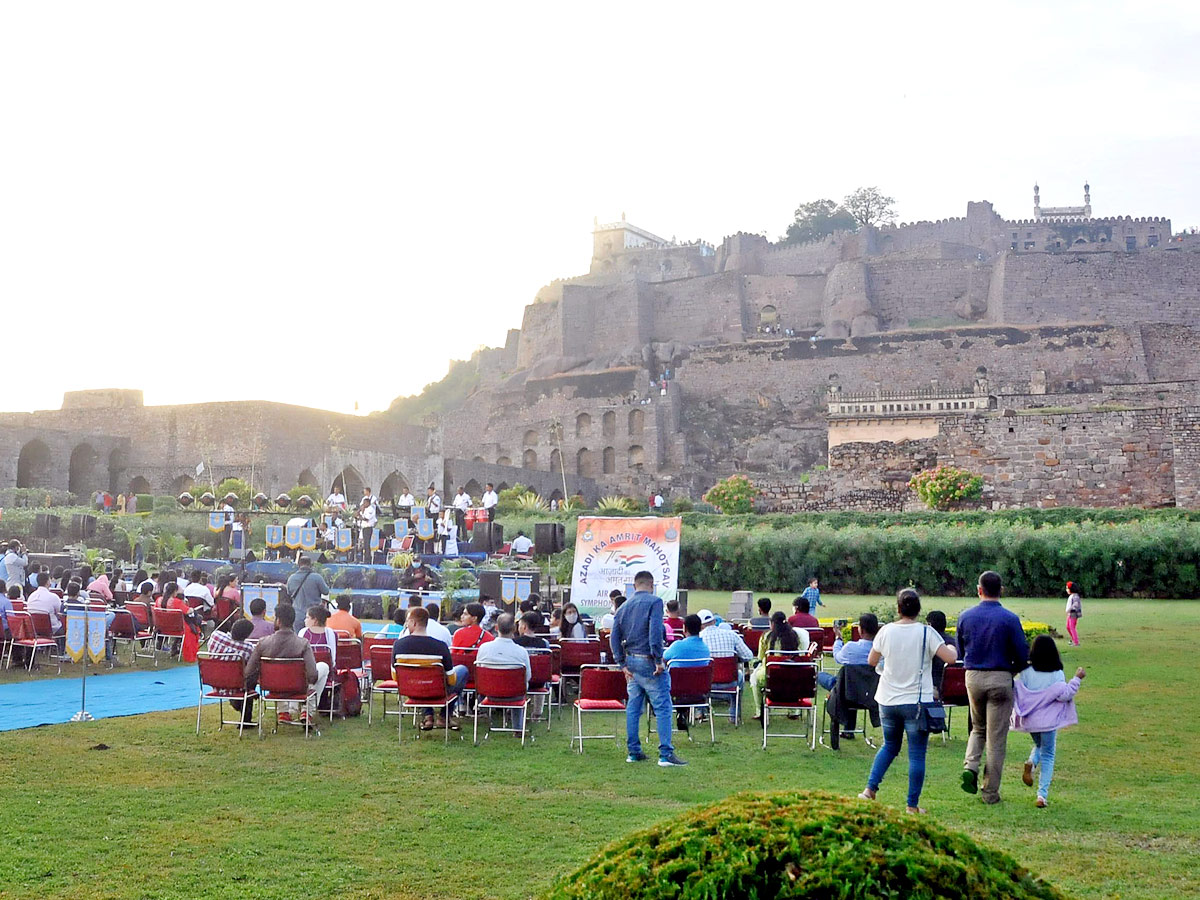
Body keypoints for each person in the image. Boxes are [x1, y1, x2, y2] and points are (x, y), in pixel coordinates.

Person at [858, 588, 958, 814]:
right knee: (916, 753)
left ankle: (869, 790)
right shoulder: (927, 633)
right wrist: (950, 646)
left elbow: (872, 661)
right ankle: (912, 805)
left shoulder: (886, 631)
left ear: (898, 608)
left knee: (890, 746)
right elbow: (950, 658)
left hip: (888, 699)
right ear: (919, 609)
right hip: (916, 702)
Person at [957, 570, 1030, 805]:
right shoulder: (1009, 619)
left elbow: (960, 649)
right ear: (1002, 590)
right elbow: (1022, 654)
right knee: (996, 738)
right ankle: (989, 792)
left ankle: (970, 765)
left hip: (974, 677)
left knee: (977, 728)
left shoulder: (965, 616)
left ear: (979, 590)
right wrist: (1010, 672)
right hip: (1000, 677)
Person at [610, 570, 686, 767]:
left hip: (631, 662)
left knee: (633, 708)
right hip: (649, 661)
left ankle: (633, 751)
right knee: (662, 706)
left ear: (635, 585)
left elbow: (614, 637)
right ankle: (665, 754)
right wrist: (658, 659)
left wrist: (621, 663)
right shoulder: (654, 602)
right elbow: (655, 632)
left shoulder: (623, 606)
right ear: (651, 585)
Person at [1012, 635, 1086, 808]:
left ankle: (1031, 762)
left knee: (1039, 746)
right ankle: (1041, 795)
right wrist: (1077, 678)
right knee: (1048, 754)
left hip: (1030, 721)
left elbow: (1018, 690)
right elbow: (1065, 694)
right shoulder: (1056, 673)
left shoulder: (1026, 672)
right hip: (1049, 722)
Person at [392, 606, 469, 730]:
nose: (406, 624)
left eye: (407, 621)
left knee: (422, 680)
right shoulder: (440, 646)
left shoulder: (398, 645)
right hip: (436, 690)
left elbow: (395, 676)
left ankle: (428, 716)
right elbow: (452, 680)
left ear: (413, 622)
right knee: (462, 670)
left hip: (410, 689)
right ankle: (444, 716)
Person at [244, 604, 323, 723]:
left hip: (272, 685)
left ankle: (284, 712)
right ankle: (307, 711)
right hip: (298, 686)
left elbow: (248, 671)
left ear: (279, 621)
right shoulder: (303, 644)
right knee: (323, 668)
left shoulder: (263, 643)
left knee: (278, 675)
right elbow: (312, 675)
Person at [697, 609, 754, 723]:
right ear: (714, 621)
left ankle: (700, 711)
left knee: (698, 674)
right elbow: (748, 656)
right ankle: (734, 714)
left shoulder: (698, 638)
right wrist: (735, 658)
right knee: (740, 675)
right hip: (730, 682)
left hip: (706, 683)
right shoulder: (731, 635)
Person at [476, 613, 532, 728]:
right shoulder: (521, 652)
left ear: (496, 627)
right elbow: (528, 677)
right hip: (515, 694)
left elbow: (479, 674)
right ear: (514, 628)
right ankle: (518, 727)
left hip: (489, 692)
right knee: (520, 686)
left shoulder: (484, 648)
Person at [750, 611, 804, 720]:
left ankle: (759, 711)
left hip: (769, 676)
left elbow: (760, 658)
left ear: (772, 623)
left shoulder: (766, 636)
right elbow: (801, 655)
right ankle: (794, 711)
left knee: (754, 679)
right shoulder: (795, 636)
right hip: (791, 676)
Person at [817, 613, 879, 691]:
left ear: (861, 630)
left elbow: (837, 656)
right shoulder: (882, 650)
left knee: (818, 674)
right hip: (873, 689)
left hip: (848, 689)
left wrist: (838, 638)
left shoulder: (850, 648)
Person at [924, 610, 957, 699]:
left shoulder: (930, 643)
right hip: (956, 689)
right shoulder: (953, 642)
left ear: (929, 625)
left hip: (934, 688)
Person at [1065, 582, 1082, 646]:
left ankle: (1076, 642)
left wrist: (1070, 609)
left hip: (1073, 614)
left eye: (1067, 588)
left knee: (1072, 627)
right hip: (1070, 614)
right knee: (1068, 627)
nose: (1066, 590)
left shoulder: (1075, 596)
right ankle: (1073, 639)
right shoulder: (1071, 596)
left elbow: (1076, 605)